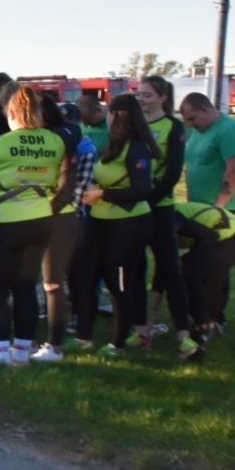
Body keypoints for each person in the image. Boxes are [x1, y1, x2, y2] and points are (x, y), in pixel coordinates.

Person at [0, 85, 79, 367]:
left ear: (11, 112)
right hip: (40, 221)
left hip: (0, 220)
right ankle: (22, 352)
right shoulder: (56, 141)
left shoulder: (1, 143)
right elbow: (74, 139)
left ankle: (0, 354)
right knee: (26, 286)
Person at [75, 94, 159, 355]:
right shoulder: (114, 145)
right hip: (100, 221)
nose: (106, 117)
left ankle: (117, 344)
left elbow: (142, 189)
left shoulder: (136, 147)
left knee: (118, 284)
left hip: (129, 224)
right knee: (84, 277)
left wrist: (103, 194)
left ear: (117, 115)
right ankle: (83, 338)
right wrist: (96, 190)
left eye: (109, 112)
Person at [131, 75, 194, 350]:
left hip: (160, 208)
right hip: (133, 209)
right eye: (138, 95)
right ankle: (141, 331)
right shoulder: (133, 124)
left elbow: (172, 172)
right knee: (135, 270)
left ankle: (184, 335)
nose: (141, 99)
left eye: (146, 95)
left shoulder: (173, 126)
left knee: (170, 270)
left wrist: (150, 199)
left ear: (162, 97)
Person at [33, 99, 97, 361]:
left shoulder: (79, 146)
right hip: (48, 214)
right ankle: (45, 333)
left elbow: (74, 190)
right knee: (47, 280)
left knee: (59, 280)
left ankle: (63, 338)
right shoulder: (46, 141)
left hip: (68, 217)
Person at [173, 201, 235, 339]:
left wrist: (186, 259)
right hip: (220, 236)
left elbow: (210, 237)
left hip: (233, 237)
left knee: (192, 273)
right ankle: (206, 320)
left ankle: (207, 323)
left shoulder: (173, 219)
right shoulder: (163, 219)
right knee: (192, 270)